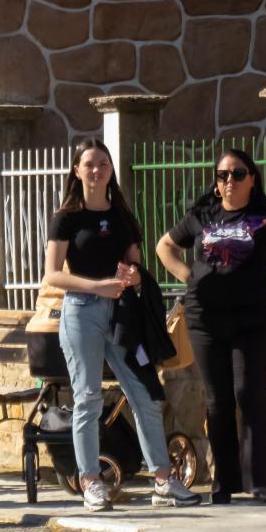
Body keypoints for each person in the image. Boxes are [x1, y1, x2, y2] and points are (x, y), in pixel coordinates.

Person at [44, 139, 199, 512]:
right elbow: (52, 276)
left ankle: (163, 479)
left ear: (111, 170)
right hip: (81, 311)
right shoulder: (66, 217)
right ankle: (90, 481)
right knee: (88, 397)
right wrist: (96, 286)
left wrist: (131, 276)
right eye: (89, 164)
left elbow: (135, 264)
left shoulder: (121, 217)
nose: (96, 171)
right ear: (77, 170)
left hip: (120, 316)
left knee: (143, 394)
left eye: (103, 164)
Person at [155, 147, 266, 505]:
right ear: (216, 183)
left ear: (252, 178)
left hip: (253, 318)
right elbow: (164, 247)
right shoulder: (202, 215)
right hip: (206, 318)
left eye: (237, 173)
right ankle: (225, 483)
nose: (229, 180)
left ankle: (260, 482)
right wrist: (190, 277)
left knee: (251, 395)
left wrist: (253, 274)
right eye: (222, 175)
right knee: (218, 401)